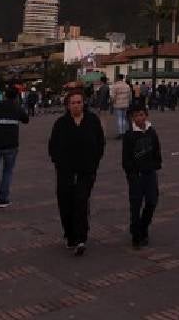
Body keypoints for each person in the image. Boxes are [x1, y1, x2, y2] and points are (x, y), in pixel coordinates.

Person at [48, 91, 105, 256]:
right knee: (65, 201)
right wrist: (58, 162)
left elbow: (100, 142)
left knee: (81, 200)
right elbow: (53, 146)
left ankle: (81, 238)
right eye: (73, 103)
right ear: (68, 105)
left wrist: (95, 161)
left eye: (79, 102)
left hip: (86, 170)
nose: (76, 105)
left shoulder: (92, 121)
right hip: (65, 170)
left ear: (83, 103)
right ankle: (70, 234)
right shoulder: (61, 123)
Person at [0, 87, 31, 214]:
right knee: (7, 172)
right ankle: (3, 199)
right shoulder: (16, 108)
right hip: (11, 146)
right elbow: (26, 120)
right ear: (16, 97)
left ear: (4, 95)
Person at [122, 104, 162, 248]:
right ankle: (136, 235)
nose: (140, 118)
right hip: (136, 175)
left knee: (152, 202)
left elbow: (157, 150)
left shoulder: (152, 132)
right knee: (135, 205)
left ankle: (143, 226)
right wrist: (132, 173)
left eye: (142, 114)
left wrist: (156, 164)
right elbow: (126, 159)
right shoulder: (129, 136)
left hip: (150, 173)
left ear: (146, 115)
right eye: (136, 115)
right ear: (132, 118)